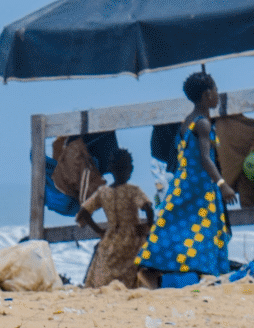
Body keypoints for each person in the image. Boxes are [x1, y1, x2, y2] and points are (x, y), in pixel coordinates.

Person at [135, 69, 238, 285]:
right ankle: (204, 275)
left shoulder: (187, 122)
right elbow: (205, 159)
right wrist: (222, 185)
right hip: (200, 187)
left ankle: (157, 271)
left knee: (176, 226)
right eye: (216, 90)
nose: (218, 95)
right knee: (205, 231)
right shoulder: (202, 123)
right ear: (206, 94)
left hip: (183, 184)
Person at [77, 151, 153, 288]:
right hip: (132, 237)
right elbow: (148, 208)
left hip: (111, 237)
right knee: (136, 270)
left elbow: (83, 212)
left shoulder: (103, 192)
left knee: (105, 272)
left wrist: (99, 231)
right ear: (130, 169)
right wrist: (148, 227)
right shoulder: (133, 190)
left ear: (111, 169)